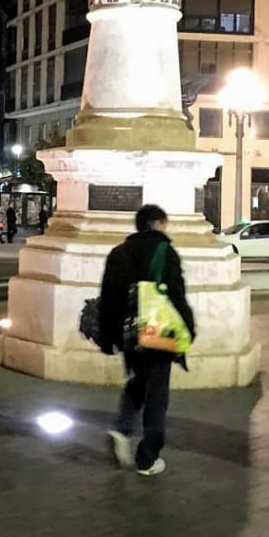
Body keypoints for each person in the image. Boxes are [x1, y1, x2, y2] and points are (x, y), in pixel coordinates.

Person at [98, 204, 195, 476]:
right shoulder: (165, 252)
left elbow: (109, 299)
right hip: (158, 331)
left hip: (129, 333)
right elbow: (177, 295)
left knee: (138, 382)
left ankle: (121, 428)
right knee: (157, 394)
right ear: (158, 224)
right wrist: (189, 329)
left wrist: (109, 337)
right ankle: (148, 458)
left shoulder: (118, 253)